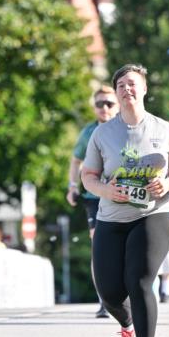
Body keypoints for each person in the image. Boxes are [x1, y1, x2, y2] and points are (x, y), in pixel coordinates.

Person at [81, 64, 169, 337]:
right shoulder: (103, 133)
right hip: (111, 217)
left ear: (145, 89)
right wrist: (106, 189)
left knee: (140, 280)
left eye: (132, 84)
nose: (126, 89)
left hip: (153, 214)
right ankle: (127, 325)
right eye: (120, 85)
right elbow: (88, 177)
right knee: (109, 293)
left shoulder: (165, 130)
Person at [66, 85, 119, 318]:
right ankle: (104, 299)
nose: (104, 108)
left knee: (122, 248)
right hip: (94, 197)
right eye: (100, 104)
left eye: (109, 103)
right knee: (99, 245)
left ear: (117, 105)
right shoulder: (88, 132)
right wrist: (72, 186)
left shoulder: (126, 127)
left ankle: (126, 295)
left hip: (122, 194)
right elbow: (76, 160)